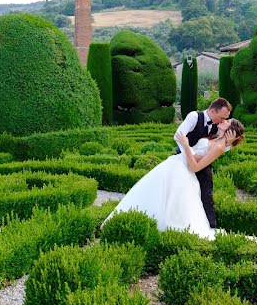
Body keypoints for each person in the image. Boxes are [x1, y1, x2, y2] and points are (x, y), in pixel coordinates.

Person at [102, 118, 245, 239]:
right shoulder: (215, 137)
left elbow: (196, 167)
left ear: (230, 130)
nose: (224, 120)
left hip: (183, 172)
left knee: (171, 203)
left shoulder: (219, 146)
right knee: (156, 194)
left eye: (228, 121)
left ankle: (159, 229)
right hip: (175, 166)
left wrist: (186, 145)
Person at [173, 98, 232, 228]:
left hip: (202, 163)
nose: (223, 121)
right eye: (222, 117)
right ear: (212, 111)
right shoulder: (194, 116)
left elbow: (218, 146)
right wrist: (192, 155)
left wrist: (228, 142)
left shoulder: (219, 125)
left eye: (226, 118)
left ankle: (210, 225)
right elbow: (178, 136)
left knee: (206, 193)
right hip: (183, 160)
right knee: (180, 193)